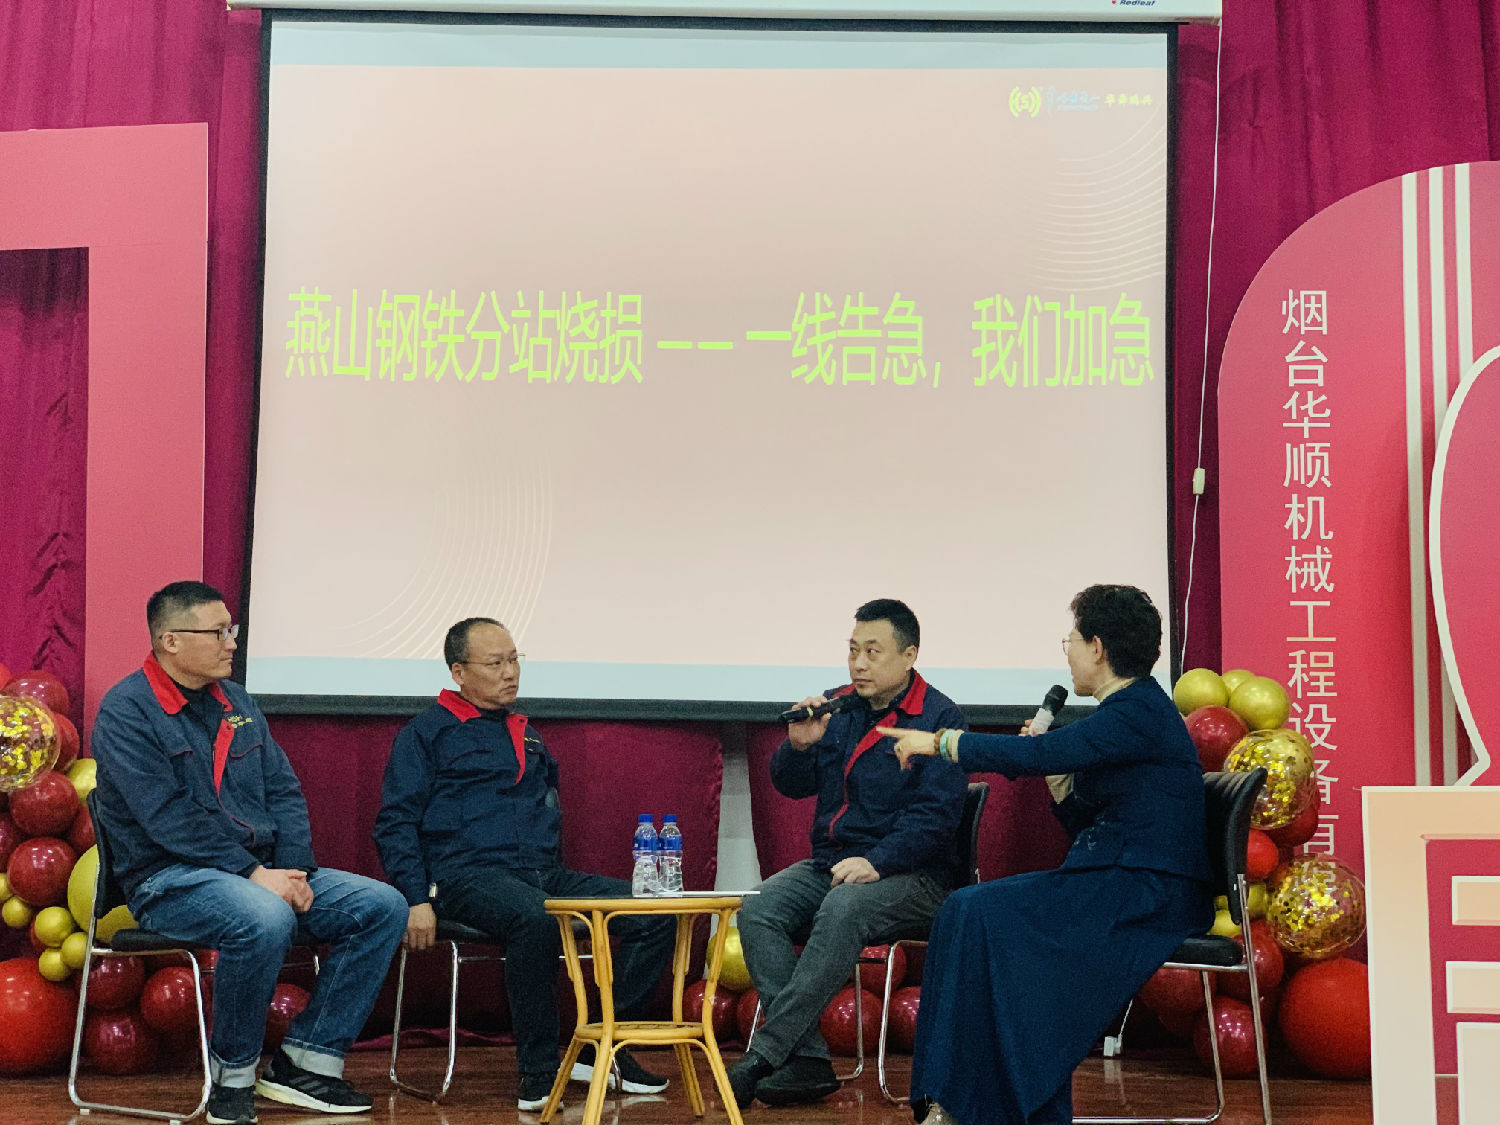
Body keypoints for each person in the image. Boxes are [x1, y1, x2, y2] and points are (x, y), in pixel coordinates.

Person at [881, 584, 1214, 1125]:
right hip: (1115, 879)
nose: (1068, 653)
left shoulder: (1137, 710)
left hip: (1145, 893)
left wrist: (941, 742)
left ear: (1097, 648)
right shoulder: (1128, 713)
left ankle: (982, 1103)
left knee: (977, 912)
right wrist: (1060, 781)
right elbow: (1088, 821)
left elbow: (1038, 754)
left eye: (1071, 641)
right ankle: (951, 1100)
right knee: (965, 909)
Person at [90, 581, 409, 1125]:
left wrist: (294, 870)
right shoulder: (126, 711)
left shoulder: (236, 701)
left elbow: (283, 790)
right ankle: (232, 1076)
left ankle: (307, 1062)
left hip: (262, 871)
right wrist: (255, 874)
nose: (231, 642)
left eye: (230, 629)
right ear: (170, 640)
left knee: (381, 906)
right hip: (171, 879)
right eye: (217, 632)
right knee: (263, 917)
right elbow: (166, 816)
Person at [373, 617, 675, 1112]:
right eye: (495, 663)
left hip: (541, 873)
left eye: (515, 660)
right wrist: (413, 897)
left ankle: (601, 1046)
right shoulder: (426, 734)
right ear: (459, 672)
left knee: (655, 910)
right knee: (537, 917)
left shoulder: (527, 733)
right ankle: (538, 1071)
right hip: (465, 876)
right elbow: (395, 822)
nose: (511, 672)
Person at [726, 598, 968, 1110]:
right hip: (834, 864)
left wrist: (878, 862)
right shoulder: (838, 708)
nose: (858, 663)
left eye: (872, 652)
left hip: (915, 875)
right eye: (853, 650)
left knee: (843, 906)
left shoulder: (939, 716)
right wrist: (798, 747)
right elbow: (792, 785)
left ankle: (766, 1053)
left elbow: (936, 818)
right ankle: (808, 1059)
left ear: (909, 655)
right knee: (759, 907)